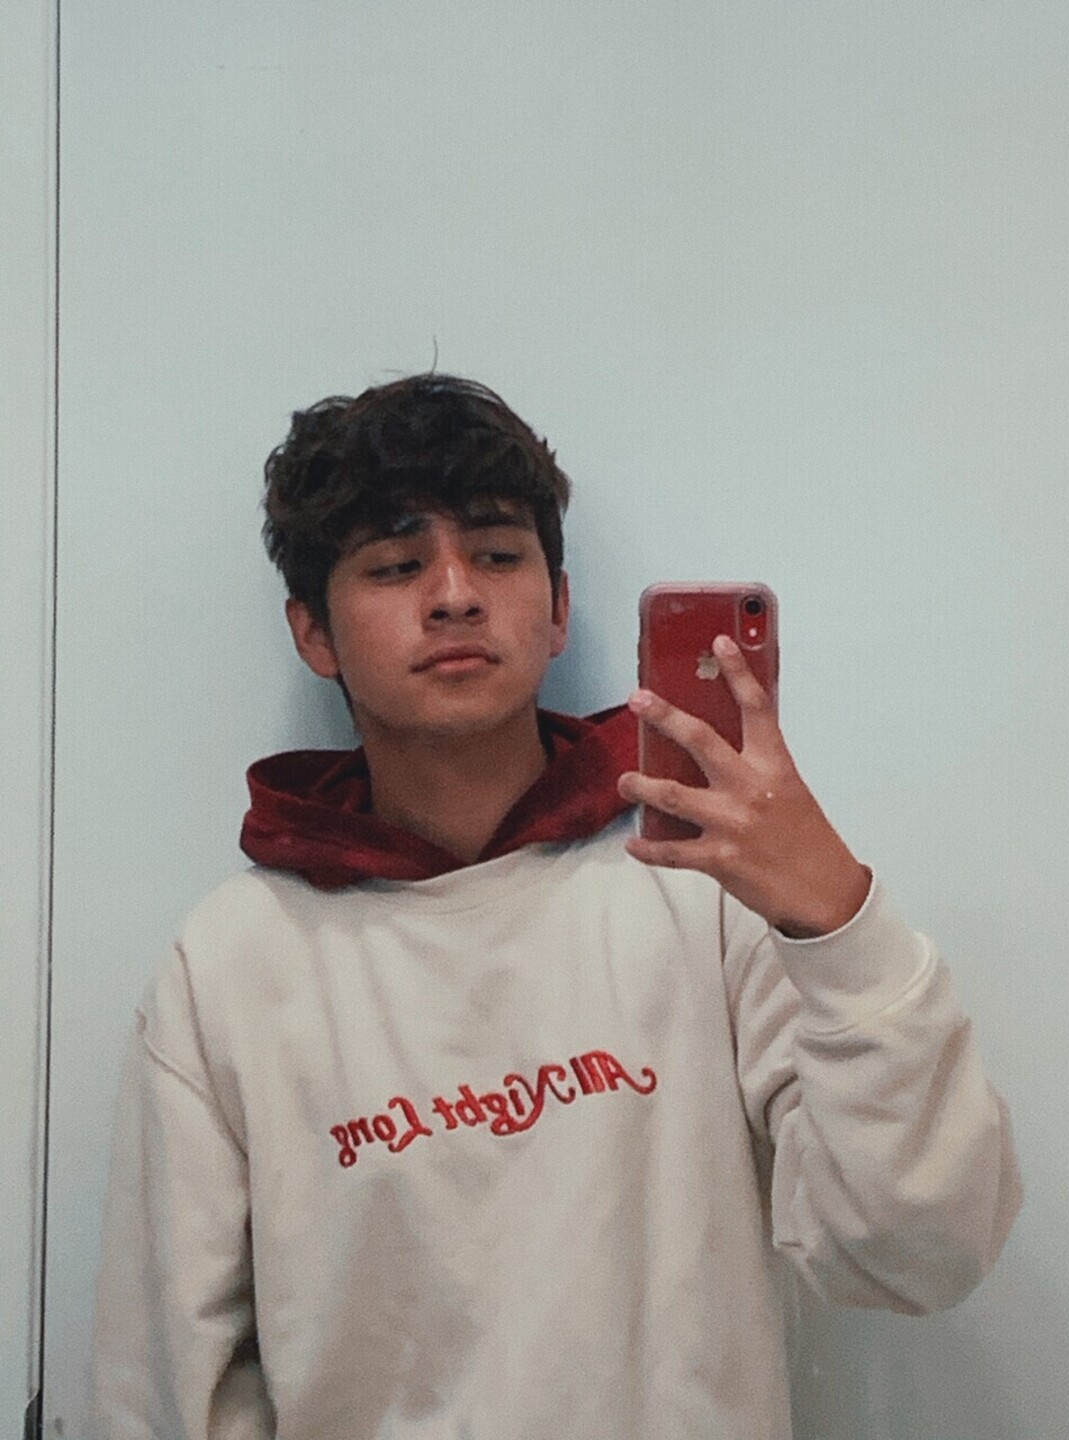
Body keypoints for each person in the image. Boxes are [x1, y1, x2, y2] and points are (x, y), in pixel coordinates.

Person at [92, 374, 1021, 1440]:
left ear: (561, 609)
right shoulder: (230, 966)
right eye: (395, 565)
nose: (454, 594)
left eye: (497, 555)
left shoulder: (705, 886)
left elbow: (920, 1254)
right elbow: (163, 1391)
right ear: (315, 633)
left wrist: (840, 927)